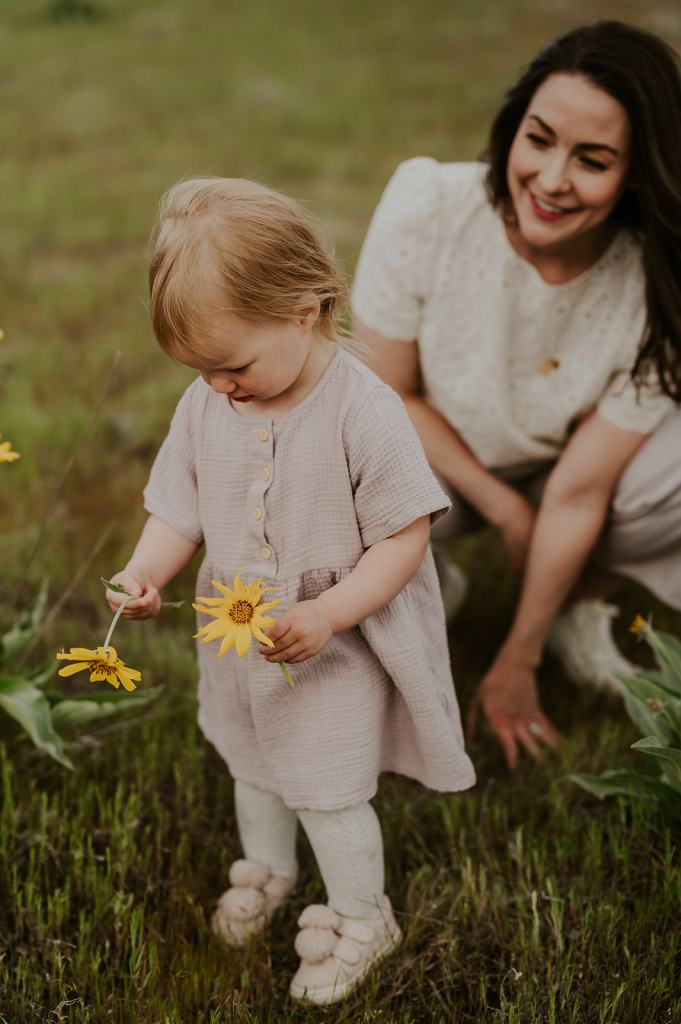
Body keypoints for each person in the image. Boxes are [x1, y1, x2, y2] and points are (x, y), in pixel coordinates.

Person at [106, 177, 475, 1005]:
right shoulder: (207, 405)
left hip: (334, 641)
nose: (218, 386)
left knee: (327, 787)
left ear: (303, 311)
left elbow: (404, 536)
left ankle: (362, 915)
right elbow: (177, 507)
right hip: (240, 639)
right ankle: (268, 866)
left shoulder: (363, 411)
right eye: (201, 370)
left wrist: (329, 611)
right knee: (255, 763)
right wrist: (145, 570)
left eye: (233, 366)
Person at [351, 20, 681, 771]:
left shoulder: (657, 282)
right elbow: (385, 395)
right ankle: (427, 581)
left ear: (637, 172)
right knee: (330, 460)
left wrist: (517, 658)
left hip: (568, 467)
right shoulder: (429, 205)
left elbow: (580, 490)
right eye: (539, 139)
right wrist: (503, 509)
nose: (551, 178)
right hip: (430, 453)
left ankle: (567, 609)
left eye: (592, 160)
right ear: (514, 128)